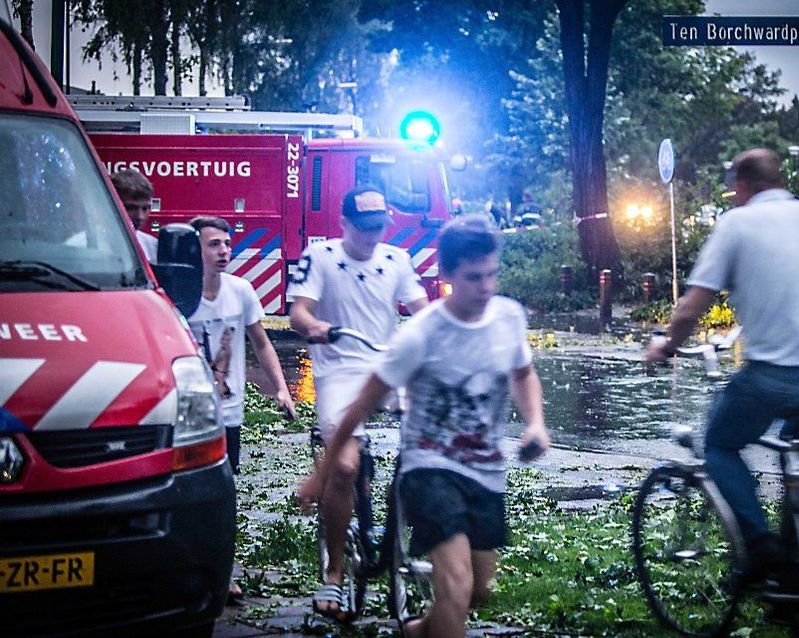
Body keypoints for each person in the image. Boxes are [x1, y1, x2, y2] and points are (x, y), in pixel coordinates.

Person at [315, 215, 550, 637]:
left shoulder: (507, 317)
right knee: (456, 586)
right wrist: (322, 475)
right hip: (429, 470)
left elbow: (523, 373)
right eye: (474, 277)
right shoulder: (421, 336)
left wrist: (535, 424)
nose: (486, 287)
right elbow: (359, 408)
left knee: (477, 592)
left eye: (492, 274)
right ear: (447, 275)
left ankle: (418, 631)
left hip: (486, 471)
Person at [645, 148, 799, 583]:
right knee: (794, 451)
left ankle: (760, 550)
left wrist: (665, 344)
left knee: (719, 445)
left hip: (774, 377)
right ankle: (797, 577)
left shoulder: (736, 224)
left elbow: (690, 309)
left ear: (743, 186)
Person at [289, 185, 429, 621]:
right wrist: (314, 326)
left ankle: (412, 539)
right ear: (345, 224)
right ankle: (333, 571)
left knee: (429, 446)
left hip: (389, 365)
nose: (372, 236)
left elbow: (422, 308)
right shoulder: (322, 257)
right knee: (346, 467)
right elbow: (299, 311)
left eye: (378, 227)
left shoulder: (397, 259)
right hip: (342, 368)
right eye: (363, 228)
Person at [186, 215, 296, 601]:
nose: (224, 251)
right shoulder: (179, 295)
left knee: (224, 495)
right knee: (188, 495)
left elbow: (262, 343)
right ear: (195, 249)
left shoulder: (241, 290)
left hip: (229, 414)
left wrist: (281, 389)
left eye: (227, 244)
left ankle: (223, 572)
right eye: (214, 244)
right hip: (189, 416)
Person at [111, 168, 158, 262]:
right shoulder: (81, 245)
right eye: (130, 208)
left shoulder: (152, 245)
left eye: (145, 208)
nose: (140, 216)